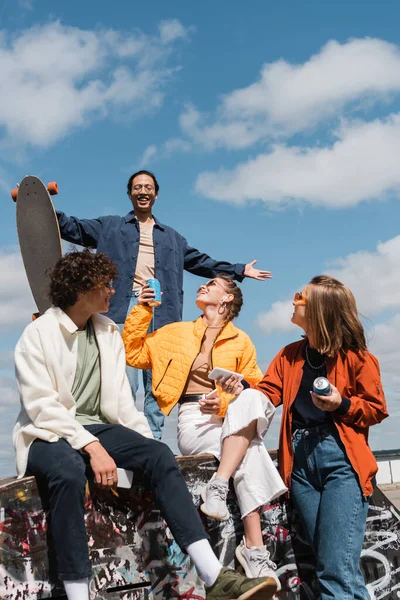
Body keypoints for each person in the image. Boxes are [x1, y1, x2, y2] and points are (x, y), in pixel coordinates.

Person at [12, 250, 278, 600]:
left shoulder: (106, 331)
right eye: (106, 286)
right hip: (47, 433)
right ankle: (78, 596)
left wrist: (141, 451)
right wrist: (92, 448)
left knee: (158, 454)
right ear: (82, 288)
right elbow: (41, 407)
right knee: (69, 472)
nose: (112, 292)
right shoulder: (39, 333)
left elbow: (123, 403)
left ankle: (214, 576)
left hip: (98, 428)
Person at [56, 170, 272, 440]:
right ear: (130, 194)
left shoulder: (172, 238)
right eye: (137, 187)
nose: (142, 191)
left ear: (156, 194)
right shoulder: (109, 226)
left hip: (163, 311)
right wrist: (39, 206)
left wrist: (239, 270)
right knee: (123, 380)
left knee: (158, 383)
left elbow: (203, 262)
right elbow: (73, 227)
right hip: (124, 308)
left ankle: (153, 442)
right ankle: (124, 440)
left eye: (148, 187)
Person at [224, 275, 388, 599]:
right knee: (336, 568)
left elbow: (376, 408)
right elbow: (267, 393)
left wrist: (341, 403)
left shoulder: (357, 357)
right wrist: (240, 387)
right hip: (300, 467)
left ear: (320, 310)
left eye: (302, 296)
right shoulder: (289, 355)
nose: (294, 299)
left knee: (335, 572)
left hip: (342, 462)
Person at [122, 276, 287, 586]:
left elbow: (255, 384)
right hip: (195, 418)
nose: (203, 285)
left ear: (226, 300)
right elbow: (132, 353)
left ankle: (220, 487)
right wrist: (144, 307)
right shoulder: (176, 333)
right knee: (249, 449)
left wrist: (225, 400)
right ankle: (254, 549)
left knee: (251, 399)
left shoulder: (242, 340)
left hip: (231, 414)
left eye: (213, 284)